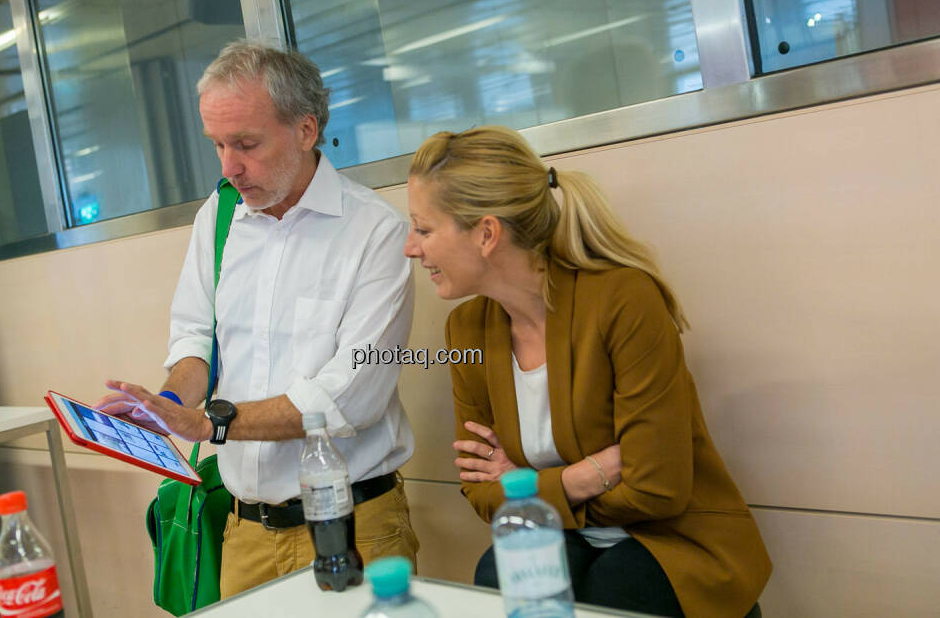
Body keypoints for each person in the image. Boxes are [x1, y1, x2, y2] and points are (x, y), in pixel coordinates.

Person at [403, 126, 771, 618]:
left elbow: (656, 490)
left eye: (423, 229)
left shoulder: (623, 299)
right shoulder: (467, 329)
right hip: (567, 539)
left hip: (673, 543)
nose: (411, 248)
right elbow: (481, 490)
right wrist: (584, 476)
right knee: (496, 574)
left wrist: (528, 487)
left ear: (486, 234)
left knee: (614, 586)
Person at [96, 41, 419, 597]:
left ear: (305, 130)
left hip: (353, 524)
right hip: (245, 530)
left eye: (246, 143)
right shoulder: (218, 219)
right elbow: (196, 337)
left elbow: (352, 395)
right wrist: (170, 406)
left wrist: (214, 423)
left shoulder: (376, 232)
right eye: (217, 144)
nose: (229, 166)